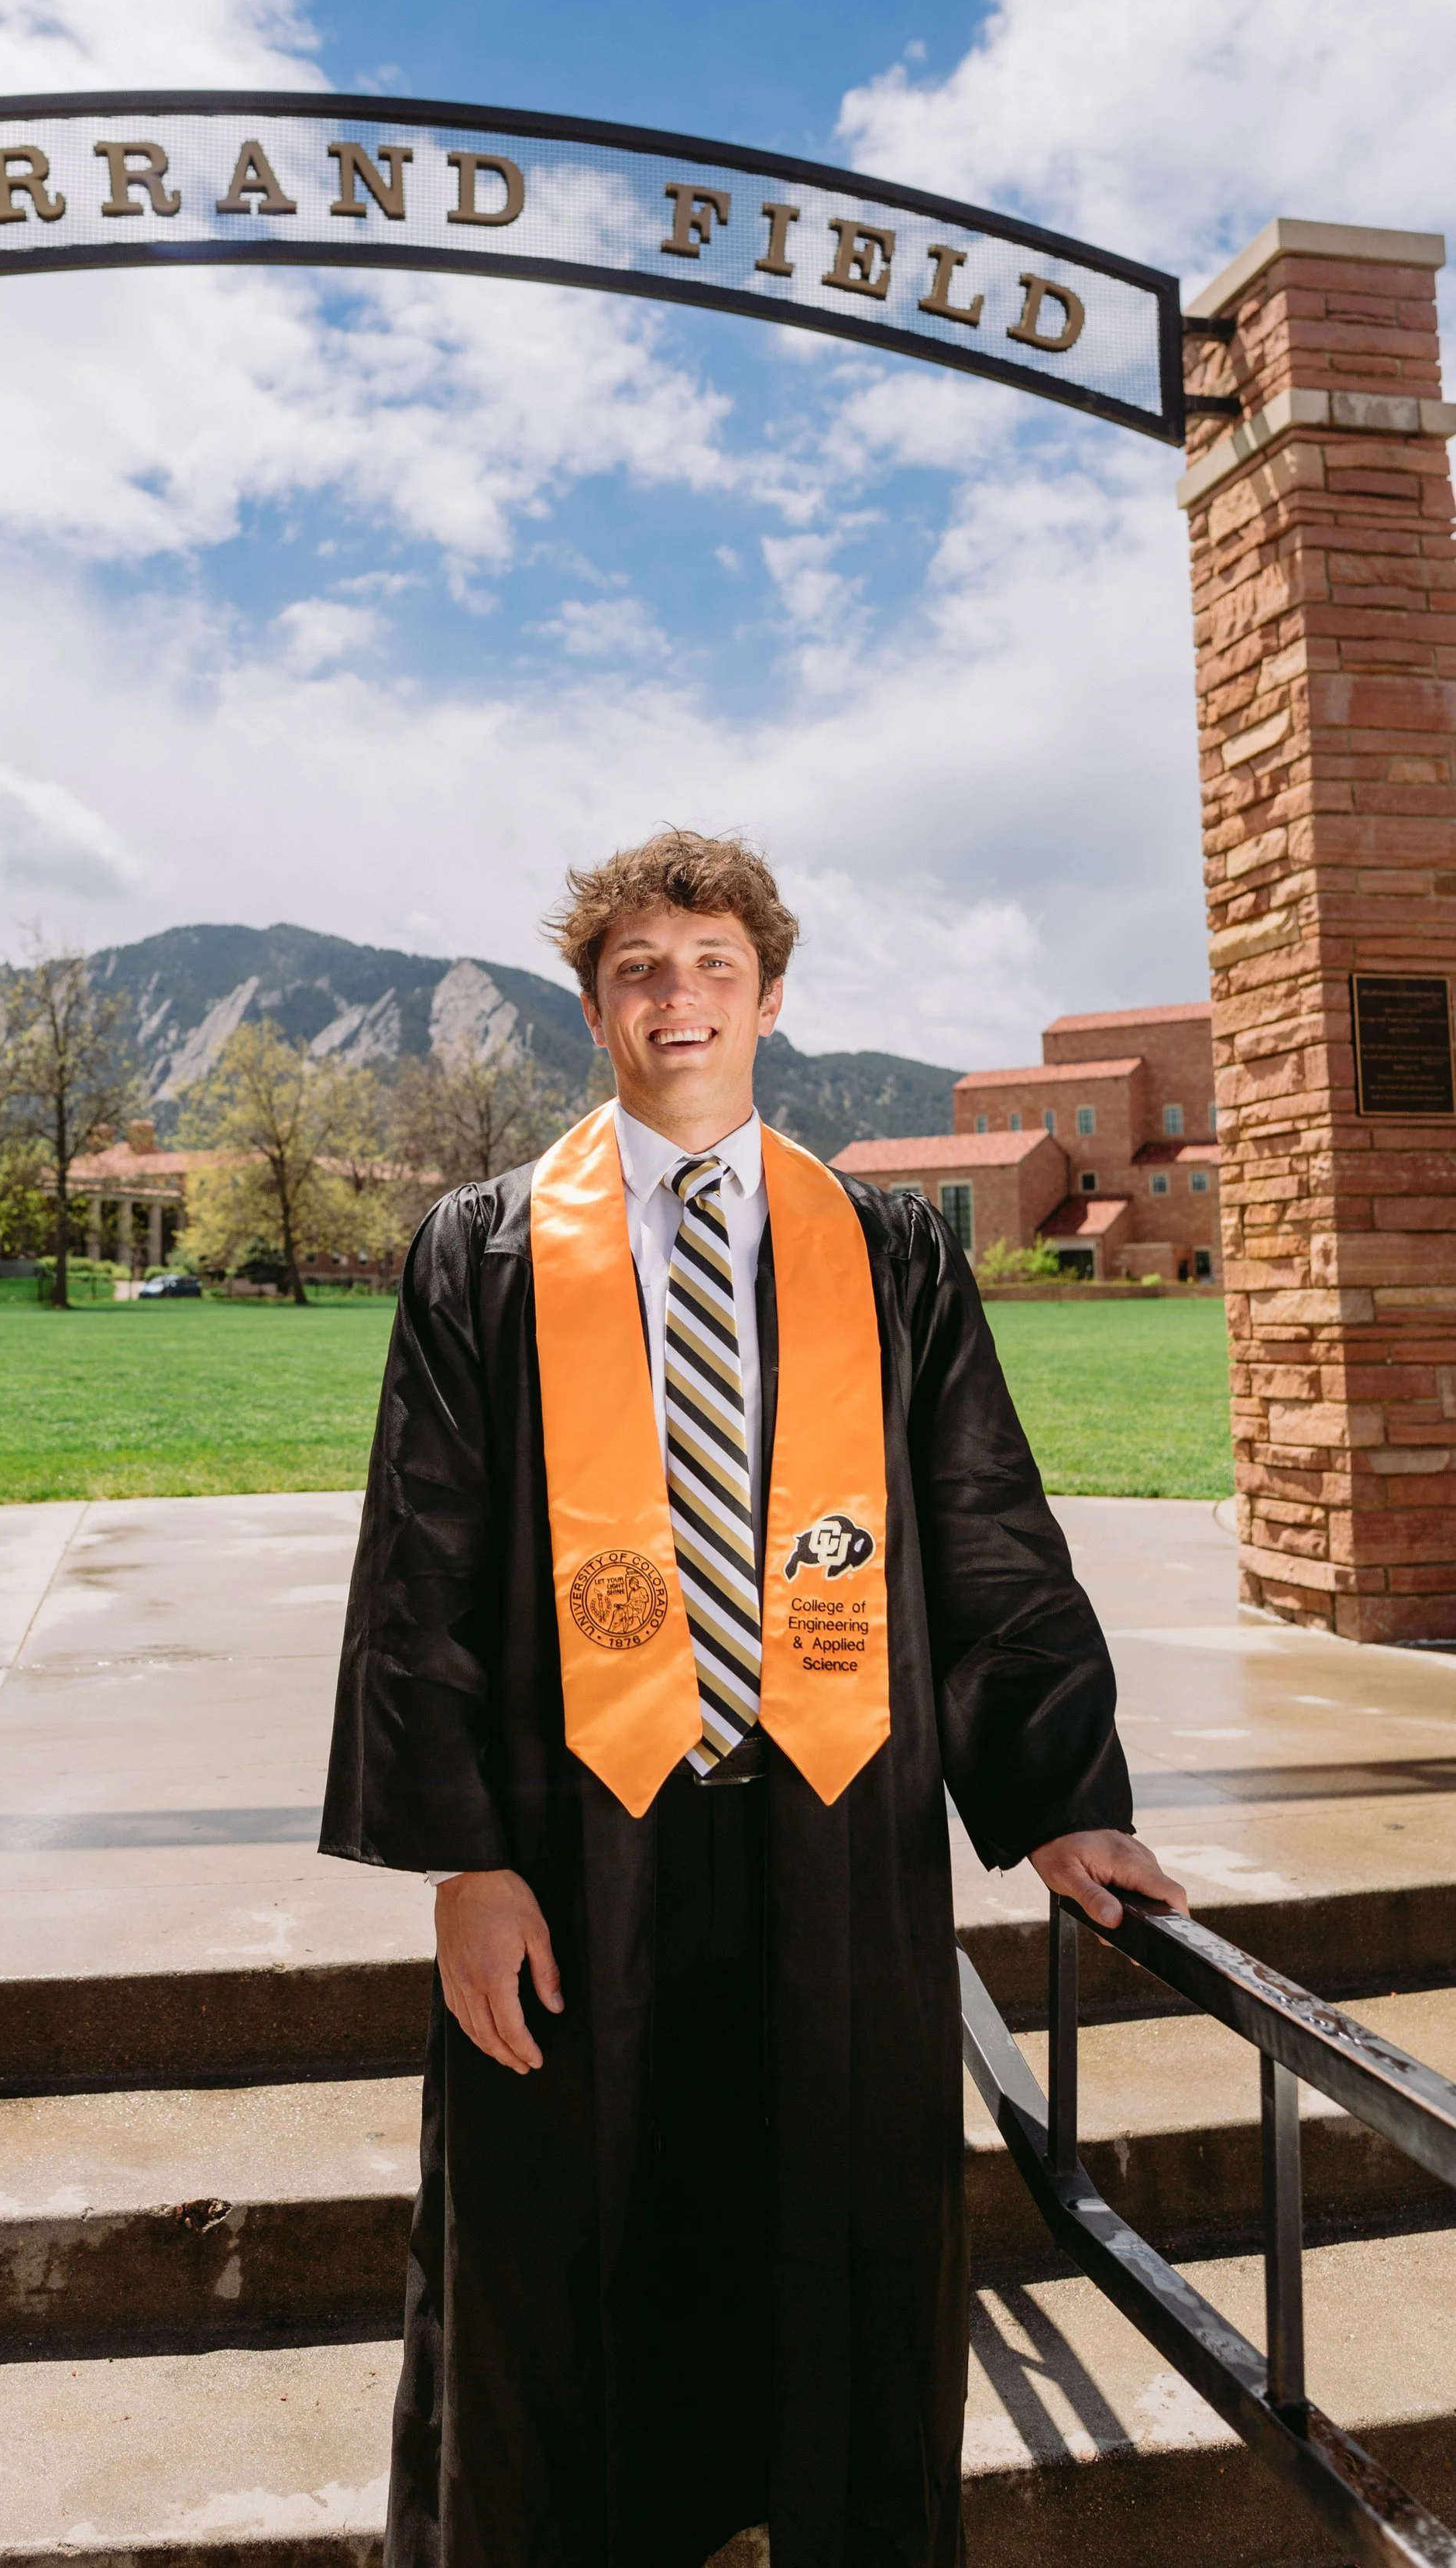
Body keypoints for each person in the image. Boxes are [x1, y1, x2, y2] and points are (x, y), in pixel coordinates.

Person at [321, 829, 1185, 2568]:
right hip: (576, 1839)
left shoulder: (887, 1250)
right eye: (638, 967)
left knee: (836, 2232)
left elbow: (982, 1525)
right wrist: (461, 1866)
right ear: (592, 1008)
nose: (677, 997)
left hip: (831, 1828)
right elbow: (420, 1565)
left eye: (710, 963)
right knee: (558, 2250)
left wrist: (1063, 1793)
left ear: (769, 997)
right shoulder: (481, 1248)